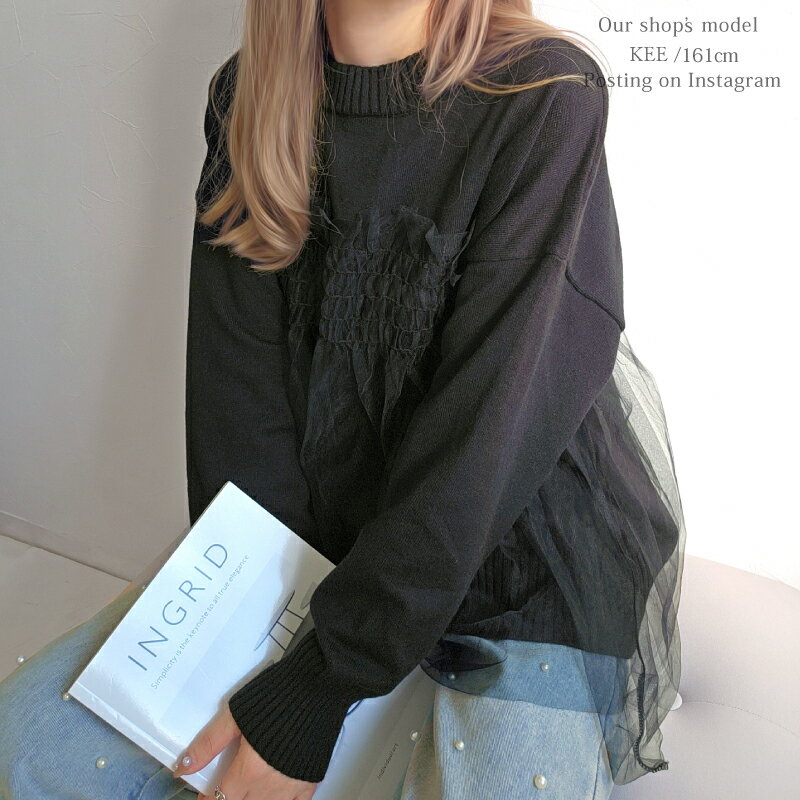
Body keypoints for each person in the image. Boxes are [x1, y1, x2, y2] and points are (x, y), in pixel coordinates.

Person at [0, 1, 687, 799]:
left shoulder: (545, 94)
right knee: (26, 747)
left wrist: (321, 683)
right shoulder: (247, 99)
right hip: (327, 544)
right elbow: (238, 418)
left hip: (519, 567)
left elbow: (486, 438)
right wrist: (255, 625)